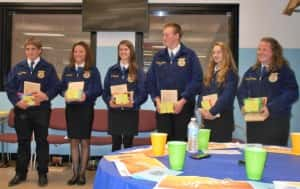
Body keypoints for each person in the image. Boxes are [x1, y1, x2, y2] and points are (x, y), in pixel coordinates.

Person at [5, 37, 60, 187]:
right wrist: (17, 102)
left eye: (33, 49)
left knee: (42, 141)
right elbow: (9, 88)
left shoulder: (48, 67)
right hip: (22, 110)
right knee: (23, 142)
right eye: (28, 49)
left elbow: (56, 86)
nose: (30, 52)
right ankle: (20, 173)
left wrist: (46, 95)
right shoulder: (18, 67)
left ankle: (42, 173)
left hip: (41, 110)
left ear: (40, 50)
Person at [146, 23, 203, 141]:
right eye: (163, 35)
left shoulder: (189, 55)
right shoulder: (158, 56)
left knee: (180, 142)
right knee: (164, 143)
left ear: (177, 36)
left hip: (183, 106)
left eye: (167, 35)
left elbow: (197, 80)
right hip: (163, 106)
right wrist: (156, 100)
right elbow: (150, 80)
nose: (164, 38)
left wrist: (182, 101)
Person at [237, 37, 299, 146]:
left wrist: (270, 107)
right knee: (254, 154)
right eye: (259, 49)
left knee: (275, 158)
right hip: (253, 123)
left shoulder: (284, 70)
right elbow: (241, 91)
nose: (260, 52)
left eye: (264, 49)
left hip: (275, 123)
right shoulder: (251, 71)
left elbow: (292, 93)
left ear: (274, 52)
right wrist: (243, 105)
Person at [60, 41, 102, 185]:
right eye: (76, 51)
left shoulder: (93, 70)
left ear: (86, 54)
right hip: (71, 109)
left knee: (84, 141)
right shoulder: (67, 70)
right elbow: (61, 88)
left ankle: (82, 174)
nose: (78, 54)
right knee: (73, 141)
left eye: (81, 51)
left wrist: (87, 94)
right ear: (73, 54)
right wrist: (64, 93)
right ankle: (74, 174)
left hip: (85, 109)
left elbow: (98, 89)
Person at [103, 40, 147, 152]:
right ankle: (114, 169)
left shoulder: (138, 71)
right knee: (115, 144)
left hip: (130, 112)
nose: (123, 52)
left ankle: (126, 169)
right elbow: (105, 92)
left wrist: (134, 102)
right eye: (121, 49)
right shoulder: (112, 70)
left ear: (131, 51)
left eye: (126, 49)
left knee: (128, 144)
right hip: (115, 113)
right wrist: (109, 101)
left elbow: (143, 93)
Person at [198, 42, 239, 142]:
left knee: (221, 153)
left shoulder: (231, 74)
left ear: (226, 54)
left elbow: (226, 97)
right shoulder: (210, 73)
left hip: (223, 121)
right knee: (206, 151)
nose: (215, 55)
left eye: (219, 52)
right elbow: (202, 94)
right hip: (208, 120)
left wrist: (212, 112)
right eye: (213, 53)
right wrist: (201, 109)